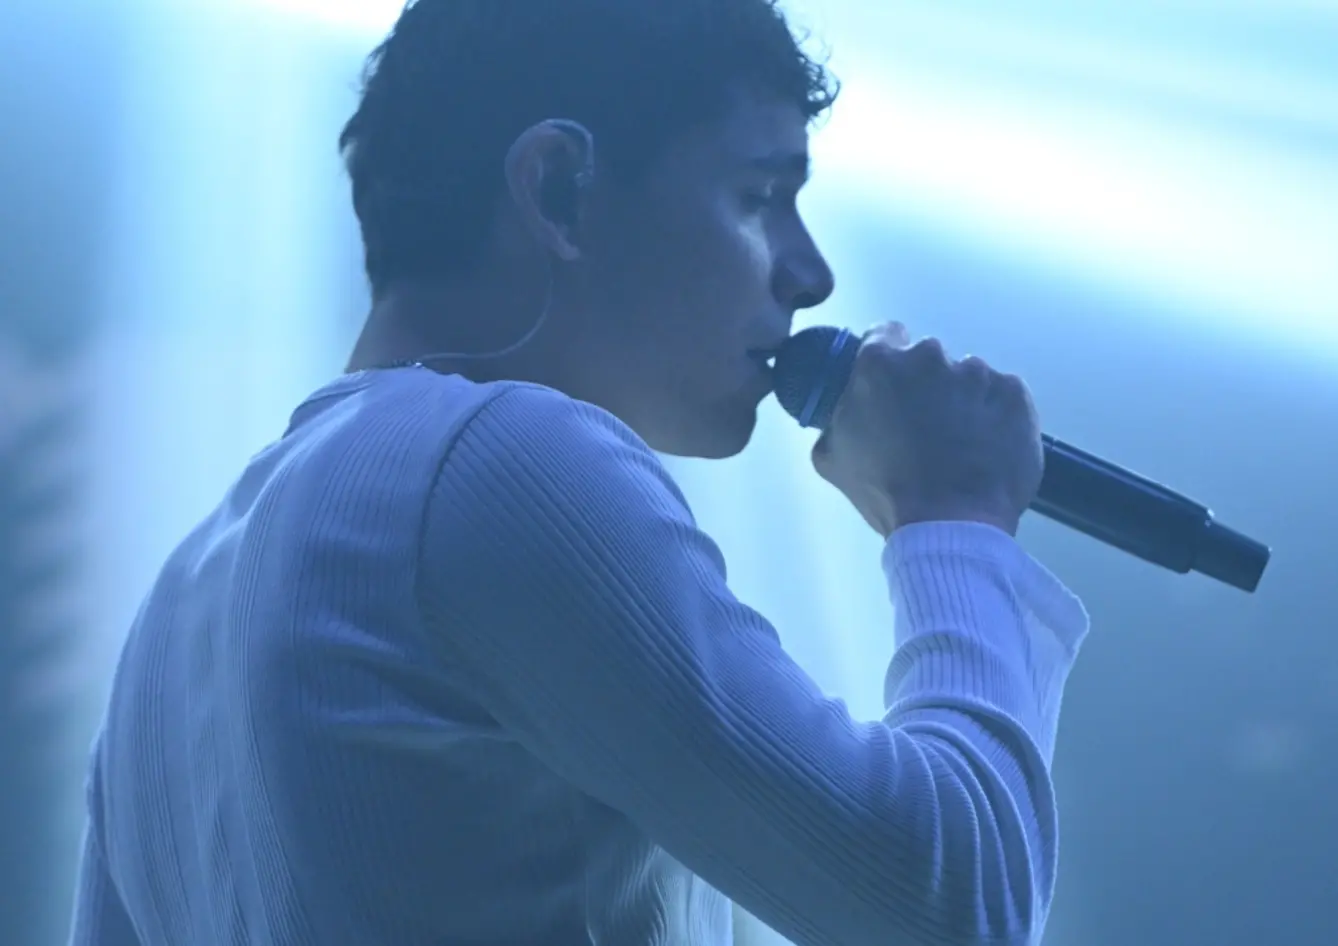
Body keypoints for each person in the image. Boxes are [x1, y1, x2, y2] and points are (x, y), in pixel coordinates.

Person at [68, 1, 1089, 944]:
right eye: (759, 196)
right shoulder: (493, 456)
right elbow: (953, 910)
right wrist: (952, 512)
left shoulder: (172, 617)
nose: (810, 273)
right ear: (558, 188)